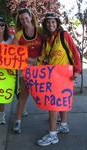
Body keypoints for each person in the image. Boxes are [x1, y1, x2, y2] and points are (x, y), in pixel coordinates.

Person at [37, 12, 81, 146]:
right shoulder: (47, 40)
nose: (51, 24)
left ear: (57, 23)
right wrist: (33, 71)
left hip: (65, 75)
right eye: (48, 22)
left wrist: (78, 70)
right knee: (60, 102)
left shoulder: (64, 35)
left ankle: (52, 135)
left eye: (53, 22)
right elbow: (42, 58)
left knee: (53, 104)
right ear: (45, 24)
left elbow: (74, 52)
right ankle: (63, 125)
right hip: (52, 76)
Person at [13, 8, 44, 134]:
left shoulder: (41, 31)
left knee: (45, 93)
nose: (25, 21)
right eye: (22, 19)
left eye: (26, 18)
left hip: (41, 68)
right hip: (25, 69)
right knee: (24, 94)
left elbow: (50, 45)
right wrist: (29, 59)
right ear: (19, 21)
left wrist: (39, 58)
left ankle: (55, 117)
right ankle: (18, 121)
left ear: (31, 17)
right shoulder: (19, 35)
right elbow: (15, 52)